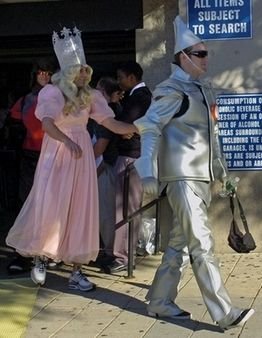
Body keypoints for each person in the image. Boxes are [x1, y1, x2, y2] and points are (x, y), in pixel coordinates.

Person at [133, 16, 254, 330]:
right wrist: (147, 171)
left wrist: (224, 174)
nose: (206, 58)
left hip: (200, 178)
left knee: (181, 245)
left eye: (206, 52)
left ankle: (159, 301)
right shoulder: (172, 90)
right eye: (199, 54)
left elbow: (212, 137)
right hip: (182, 178)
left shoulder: (201, 90)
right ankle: (224, 311)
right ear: (182, 58)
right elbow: (149, 127)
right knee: (201, 243)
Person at [6, 27, 137, 291]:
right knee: (51, 206)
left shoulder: (91, 96)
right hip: (57, 156)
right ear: (67, 72)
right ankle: (41, 258)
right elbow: (47, 124)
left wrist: (136, 127)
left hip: (81, 159)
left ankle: (76, 270)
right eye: (79, 70)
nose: (83, 74)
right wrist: (65, 140)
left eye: (85, 70)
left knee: (81, 210)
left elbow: (108, 121)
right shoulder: (53, 93)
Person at [6, 58, 56, 274]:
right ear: (34, 75)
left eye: (47, 72)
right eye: (40, 72)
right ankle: (23, 252)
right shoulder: (25, 100)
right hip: (30, 156)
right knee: (26, 203)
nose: (43, 75)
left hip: (53, 157)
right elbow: (13, 122)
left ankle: (46, 251)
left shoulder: (60, 97)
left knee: (51, 206)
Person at [104, 61, 152, 273]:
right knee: (126, 208)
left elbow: (122, 123)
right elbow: (123, 127)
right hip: (132, 155)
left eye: (121, 77)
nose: (119, 81)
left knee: (126, 209)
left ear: (132, 78)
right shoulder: (137, 97)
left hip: (131, 157)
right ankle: (125, 254)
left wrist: (116, 113)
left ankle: (123, 257)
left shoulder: (140, 98)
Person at [93, 76, 123, 265]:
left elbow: (101, 146)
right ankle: (106, 249)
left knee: (105, 213)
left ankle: (109, 252)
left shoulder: (108, 113)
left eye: (97, 89)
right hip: (105, 165)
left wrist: (86, 168)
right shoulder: (112, 110)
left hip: (103, 167)